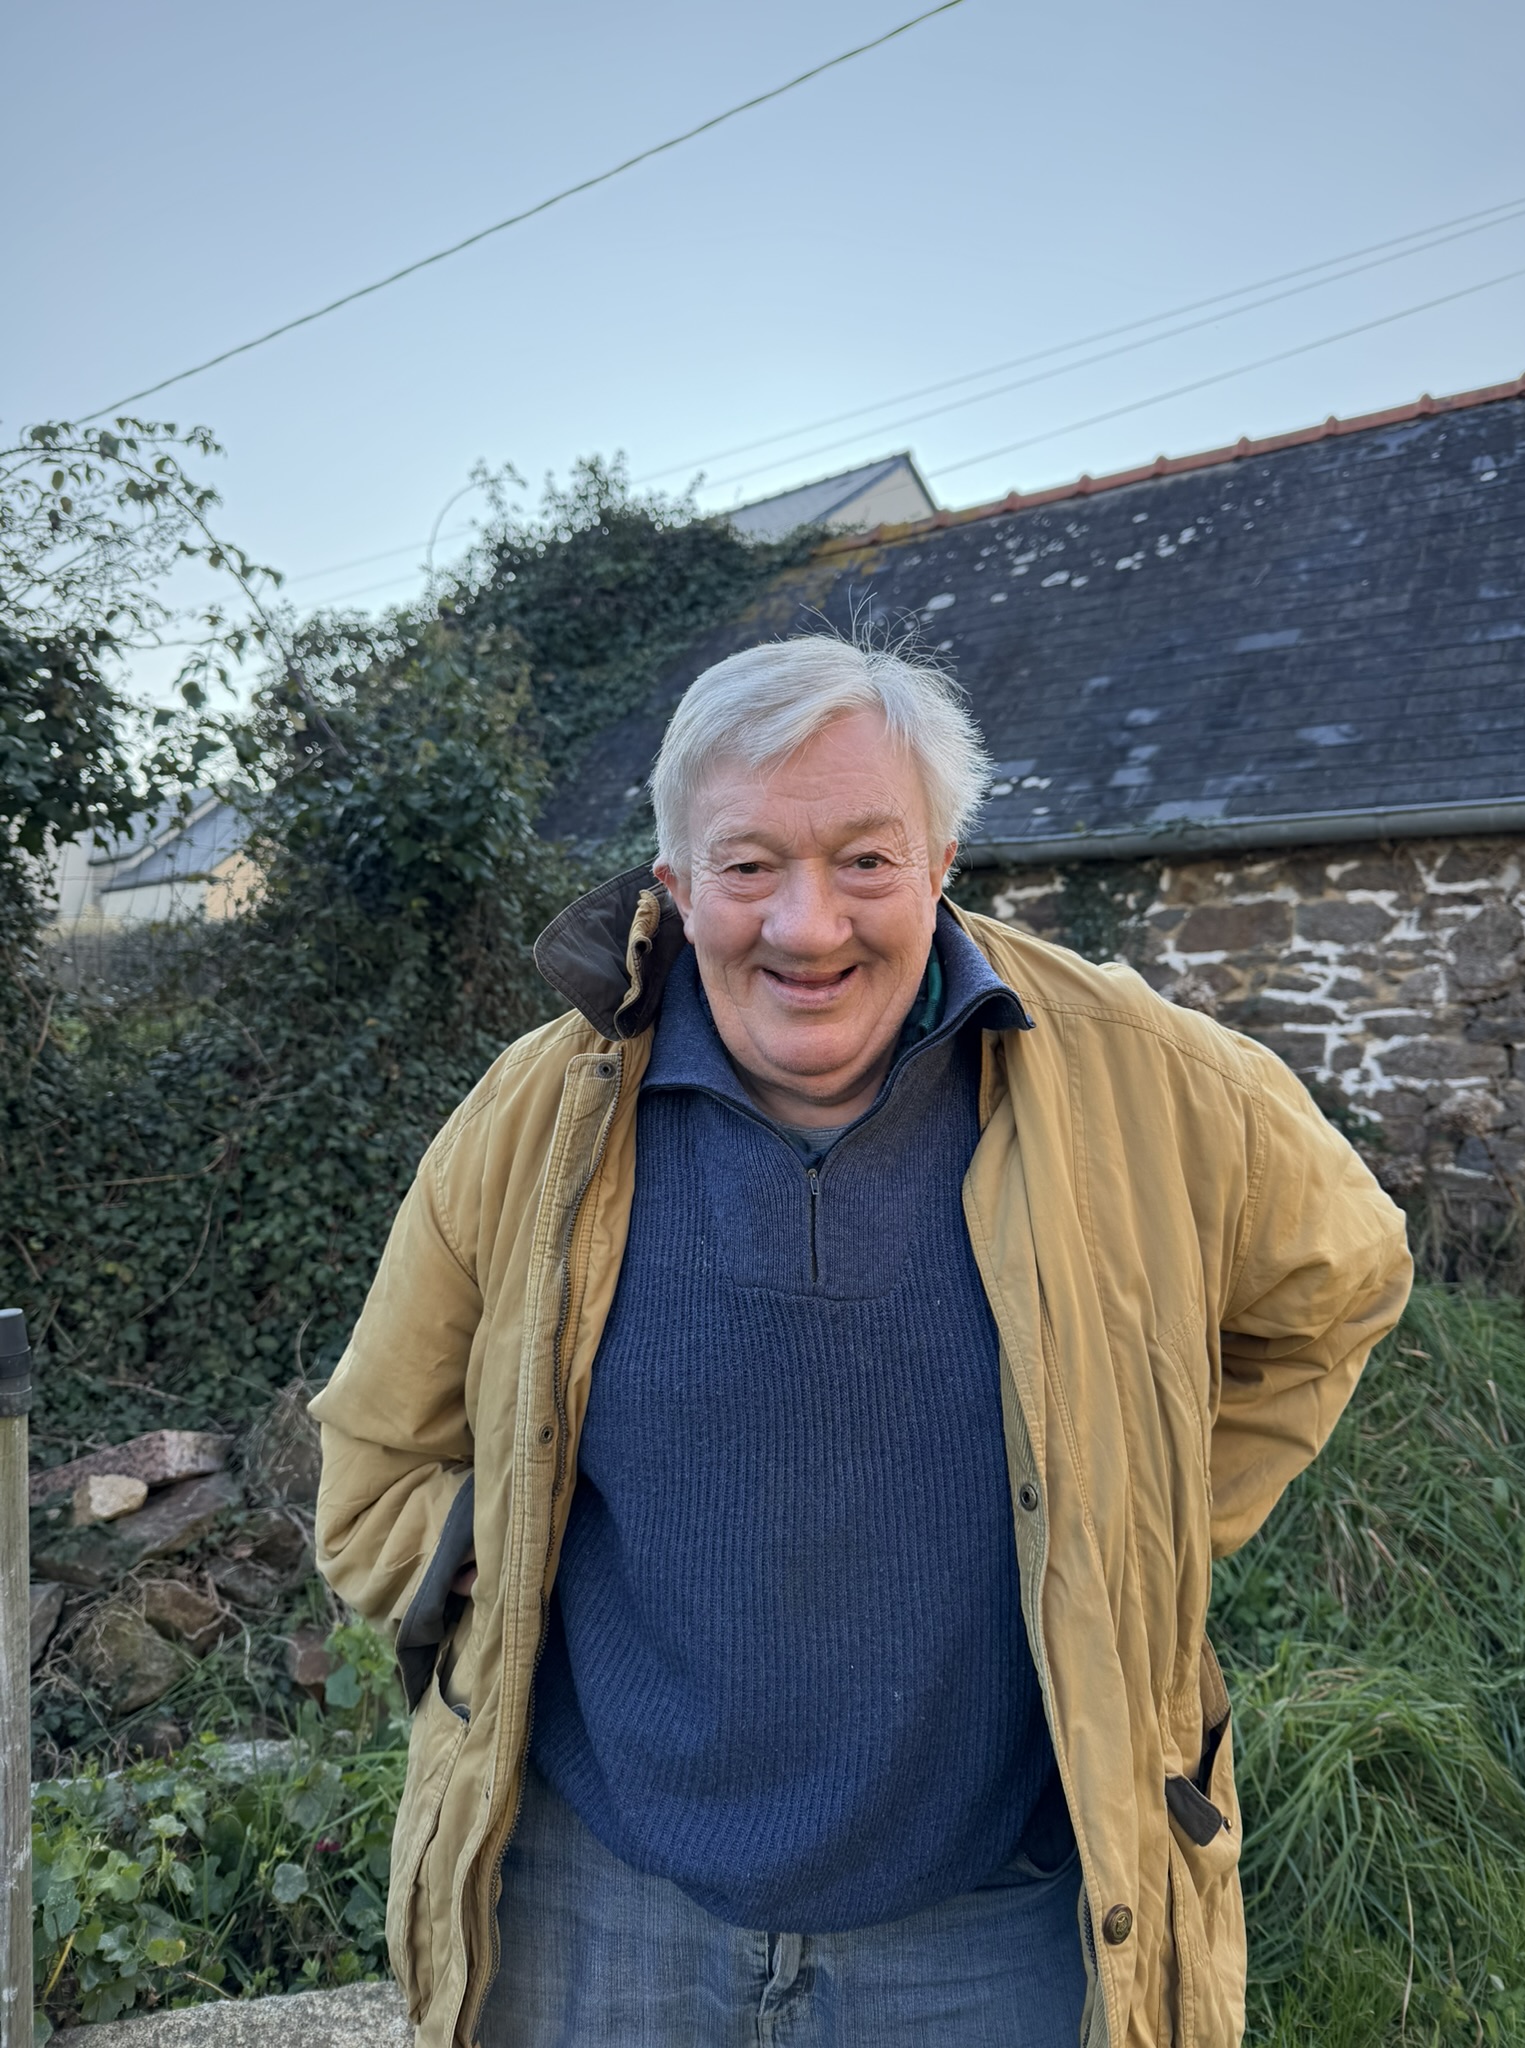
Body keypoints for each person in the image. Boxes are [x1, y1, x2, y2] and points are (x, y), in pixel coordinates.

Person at [312, 635, 1411, 2048]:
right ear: (675, 887)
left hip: (1000, 1930)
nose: (808, 925)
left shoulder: (1151, 1080)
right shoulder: (534, 1119)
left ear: (942, 863)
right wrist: (512, 1554)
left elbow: (1341, 1284)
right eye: (749, 865)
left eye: (866, 861)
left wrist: (1135, 1528)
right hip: (599, 1917)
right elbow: (376, 1468)